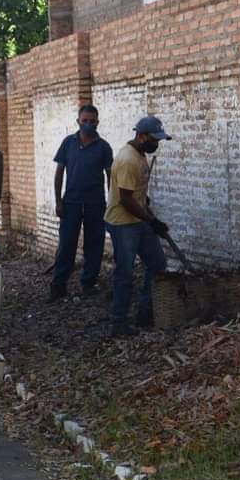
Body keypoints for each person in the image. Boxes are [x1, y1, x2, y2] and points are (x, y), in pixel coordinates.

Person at [104, 116, 172, 337]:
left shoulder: (140, 155)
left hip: (138, 219)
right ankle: (118, 323)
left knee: (157, 263)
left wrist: (150, 214)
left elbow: (139, 196)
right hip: (123, 223)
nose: (156, 144)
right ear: (141, 136)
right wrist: (152, 221)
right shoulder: (127, 160)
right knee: (125, 272)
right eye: (154, 140)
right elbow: (126, 200)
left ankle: (146, 311)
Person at [49, 105, 113, 301]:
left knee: (94, 243)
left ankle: (88, 283)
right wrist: (58, 201)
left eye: (92, 121)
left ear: (97, 122)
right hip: (71, 203)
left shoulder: (103, 147)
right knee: (67, 243)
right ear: (78, 121)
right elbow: (59, 172)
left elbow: (110, 175)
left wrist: (111, 203)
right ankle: (58, 286)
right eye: (84, 120)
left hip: (95, 204)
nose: (88, 124)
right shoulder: (68, 143)